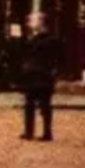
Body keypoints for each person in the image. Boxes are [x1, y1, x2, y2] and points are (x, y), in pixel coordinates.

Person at [18, 10, 62, 142]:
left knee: (45, 104)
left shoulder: (50, 39)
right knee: (29, 103)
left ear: (41, 22)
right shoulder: (31, 37)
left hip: (43, 74)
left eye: (33, 20)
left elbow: (55, 57)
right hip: (31, 74)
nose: (30, 22)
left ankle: (47, 132)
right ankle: (28, 131)